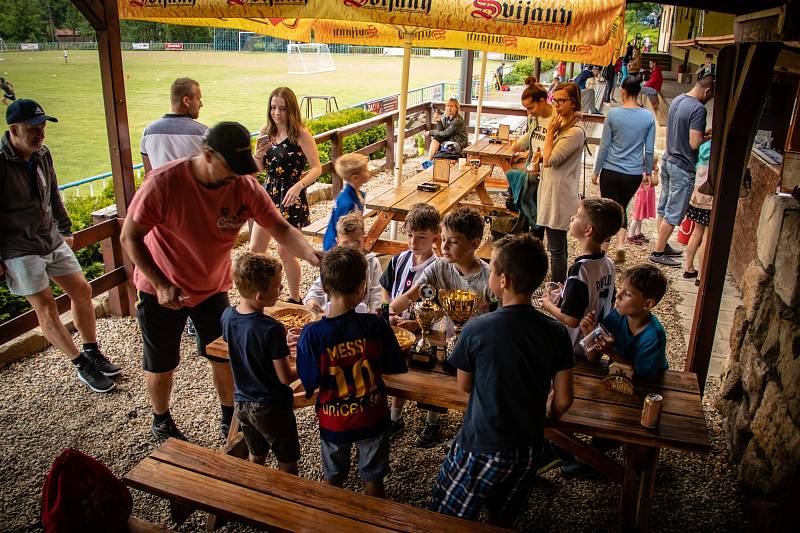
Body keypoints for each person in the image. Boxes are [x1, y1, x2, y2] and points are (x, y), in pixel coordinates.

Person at [121, 121, 321, 442]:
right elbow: (130, 237)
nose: (237, 176)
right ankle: (161, 417)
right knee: (162, 361)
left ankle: (230, 413)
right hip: (161, 288)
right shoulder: (164, 183)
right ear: (208, 155)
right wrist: (160, 283)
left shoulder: (242, 185)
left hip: (212, 287)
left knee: (223, 354)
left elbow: (279, 228)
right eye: (231, 167)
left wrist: (310, 254)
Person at [430, 234, 574, 526]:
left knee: (444, 516)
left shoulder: (477, 328)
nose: (489, 274)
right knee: (502, 518)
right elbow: (564, 399)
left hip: (482, 443)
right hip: (529, 448)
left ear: (504, 280)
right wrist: (549, 413)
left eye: (493, 269)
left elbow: (464, 384)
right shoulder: (556, 333)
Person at [1, 99, 121, 393]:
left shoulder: (42, 154)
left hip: (49, 238)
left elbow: (53, 192)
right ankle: (82, 364)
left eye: (42, 126)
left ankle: (91, 349)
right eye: (33, 127)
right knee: (46, 308)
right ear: (13, 128)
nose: (40, 132)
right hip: (18, 248)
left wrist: (64, 228)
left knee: (82, 290)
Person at [296, 247, 408, 498]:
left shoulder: (312, 335)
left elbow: (310, 382)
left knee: (333, 480)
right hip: (372, 417)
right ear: (362, 288)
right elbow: (393, 366)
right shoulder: (377, 325)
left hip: (334, 421)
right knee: (374, 479)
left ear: (324, 287)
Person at [390, 207, 492, 448]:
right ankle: (423, 419)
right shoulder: (439, 267)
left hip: (478, 351)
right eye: (443, 239)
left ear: (474, 243)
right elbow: (398, 304)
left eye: (453, 242)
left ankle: (468, 432)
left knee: (474, 393)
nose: (443, 247)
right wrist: (411, 296)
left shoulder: (489, 279)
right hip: (444, 342)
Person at [222, 253, 300, 474]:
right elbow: (285, 377)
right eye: (277, 286)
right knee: (287, 459)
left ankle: (253, 491)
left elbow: (245, 343)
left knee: (256, 453)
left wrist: (278, 346)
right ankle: (286, 502)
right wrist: (308, 362)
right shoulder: (272, 329)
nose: (282, 288)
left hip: (242, 402)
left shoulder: (227, 316)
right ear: (260, 296)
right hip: (271, 406)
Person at [250, 87, 323, 304]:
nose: (277, 113)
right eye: (273, 108)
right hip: (268, 194)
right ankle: (257, 296)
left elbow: (317, 168)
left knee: (285, 250)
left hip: (291, 195)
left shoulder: (300, 133)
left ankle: (294, 297)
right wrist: (258, 155)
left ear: (291, 109)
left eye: (282, 108)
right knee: (255, 249)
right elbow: (260, 169)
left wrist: (298, 186)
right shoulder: (266, 131)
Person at [381, 204, 440, 438]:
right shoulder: (399, 259)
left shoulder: (438, 268)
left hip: (427, 330)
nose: (413, 242)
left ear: (435, 237)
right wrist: (388, 311)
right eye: (409, 235)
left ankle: (432, 421)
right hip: (398, 329)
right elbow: (385, 288)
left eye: (421, 237)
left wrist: (418, 324)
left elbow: (441, 306)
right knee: (400, 372)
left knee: (431, 376)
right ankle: (396, 417)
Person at [540, 198, 622, 354]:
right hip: (594, 343)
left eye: (577, 215)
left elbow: (571, 320)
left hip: (575, 346)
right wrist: (567, 293)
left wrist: (548, 304)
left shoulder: (580, 269)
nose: (572, 218)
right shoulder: (608, 264)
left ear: (588, 230)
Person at [651, 75, 714, 267]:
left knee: (664, 206)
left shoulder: (679, 99)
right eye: (711, 97)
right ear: (708, 91)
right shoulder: (698, 109)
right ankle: (658, 251)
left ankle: (661, 244)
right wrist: (708, 137)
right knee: (674, 211)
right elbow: (694, 143)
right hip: (683, 165)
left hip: (668, 159)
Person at [592, 76, 656, 264]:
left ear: (623, 92)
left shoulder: (613, 114)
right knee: (621, 208)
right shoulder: (647, 117)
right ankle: (620, 244)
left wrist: (596, 170)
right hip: (633, 173)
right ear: (638, 93)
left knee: (607, 211)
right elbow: (649, 149)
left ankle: (602, 253)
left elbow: (604, 146)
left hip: (611, 169)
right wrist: (648, 173)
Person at [579, 264, 668, 378]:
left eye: (627, 294)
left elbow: (642, 375)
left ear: (647, 303)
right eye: (620, 289)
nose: (618, 295)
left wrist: (610, 352)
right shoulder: (615, 317)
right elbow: (593, 359)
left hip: (651, 384)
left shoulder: (654, 335)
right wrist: (589, 334)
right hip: (619, 378)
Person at [539, 82, 586, 284]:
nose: (556, 105)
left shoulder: (574, 132)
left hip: (559, 195)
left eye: (561, 101)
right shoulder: (566, 124)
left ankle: (557, 287)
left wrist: (550, 133)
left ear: (573, 103)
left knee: (556, 247)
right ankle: (560, 284)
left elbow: (550, 159)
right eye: (554, 100)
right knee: (558, 245)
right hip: (553, 191)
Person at [504, 77, 553, 239]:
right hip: (532, 166)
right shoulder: (534, 117)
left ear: (542, 101)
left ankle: (536, 243)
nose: (529, 112)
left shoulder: (556, 118)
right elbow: (531, 134)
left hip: (547, 169)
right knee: (529, 207)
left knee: (540, 212)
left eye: (531, 107)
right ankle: (528, 241)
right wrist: (518, 145)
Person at [305, 212, 382, 315]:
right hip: (334, 317)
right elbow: (319, 287)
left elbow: (376, 294)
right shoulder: (334, 262)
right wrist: (311, 300)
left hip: (361, 319)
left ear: (365, 239)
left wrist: (374, 317)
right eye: (346, 244)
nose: (352, 248)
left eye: (357, 242)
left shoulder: (372, 263)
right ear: (337, 242)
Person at [141, 78, 207, 174]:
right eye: (198, 99)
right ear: (186, 101)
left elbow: (149, 175)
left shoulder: (148, 132)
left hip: (161, 189)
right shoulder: (204, 133)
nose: (201, 104)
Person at [322, 153, 370, 251]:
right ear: (355, 178)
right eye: (365, 170)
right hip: (337, 247)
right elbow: (344, 231)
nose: (369, 172)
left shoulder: (358, 194)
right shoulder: (347, 203)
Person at [684, 141, 713, 283]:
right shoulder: (718, 150)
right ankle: (701, 276)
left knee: (696, 232)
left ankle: (688, 268)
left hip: (697, 195)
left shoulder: (704, 147)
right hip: (710, 198)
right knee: (707, 235)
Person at [422, 98, 468, 167]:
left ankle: (434, 162)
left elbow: (447, 133)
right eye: (448, 106)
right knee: (437, 137)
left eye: (452, 106)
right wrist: (439, 121)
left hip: (459, 143)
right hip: (449, 141)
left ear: (456, 108)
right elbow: (441, 132)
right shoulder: (446, 118)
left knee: (443, 142)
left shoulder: (457, 120)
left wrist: (430, 132)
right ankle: (429, 161)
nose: (449, 108)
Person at [628, 155, 659, 245]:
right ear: (651, 164)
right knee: (638, 216)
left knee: (641, 216)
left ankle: (638, 233)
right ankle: (631, 235)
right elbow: (655, 182)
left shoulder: (644, 171)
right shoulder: (647, 174)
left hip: (646, 195)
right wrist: (656, 172)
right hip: (644, 196)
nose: (656, 166)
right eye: (655, 164)